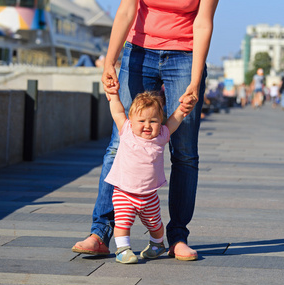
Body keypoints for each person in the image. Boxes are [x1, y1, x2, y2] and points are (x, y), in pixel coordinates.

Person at [72, 0, 219, 261]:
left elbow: (203, 21)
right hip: (139, 51)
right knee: (119, 143)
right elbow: (127, 10)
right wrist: (110, 61)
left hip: (185, 56)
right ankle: (100, 233)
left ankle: (177, 238)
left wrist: (195, 80)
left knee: (184, 152)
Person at [105, 91, 185, 264]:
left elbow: (174, 121)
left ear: (160, 122)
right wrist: (113, 96)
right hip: (124, 192)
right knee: (122, 222)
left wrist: (183, 109)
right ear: (131, 121)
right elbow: (118, 112)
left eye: (153, 121)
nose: (147, 126)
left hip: (149, 195)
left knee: (155, 225)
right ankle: (123, 249)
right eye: (141, 121)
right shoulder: (126, 130)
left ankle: (157, 244)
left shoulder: (161, 136)